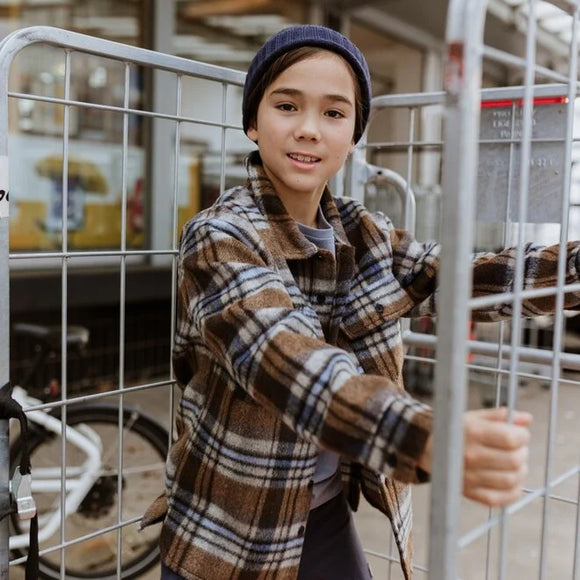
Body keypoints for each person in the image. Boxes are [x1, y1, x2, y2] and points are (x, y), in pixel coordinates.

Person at [141, 25, 579, 579]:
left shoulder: (363, 230)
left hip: (322, 518)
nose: (307, 129)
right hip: (228, 532)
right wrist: (423, 435)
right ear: (252, 121)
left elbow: (459, 277)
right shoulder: (219, 235)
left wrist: (573, 268)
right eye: (286, 105)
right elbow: (285, 358)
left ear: (354, 135)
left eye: (333, 113)